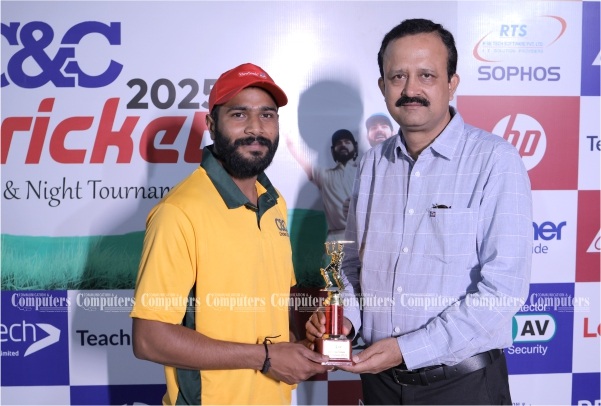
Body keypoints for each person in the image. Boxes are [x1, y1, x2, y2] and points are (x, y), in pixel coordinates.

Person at [306, 18, 532, 405]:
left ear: (452, 83)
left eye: (426, 75)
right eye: (398, 76)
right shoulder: (372, 163)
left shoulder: (495, 160)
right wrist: (345, 321)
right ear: (383, 86)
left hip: (462, 388)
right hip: (379, 384)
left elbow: (502, 292)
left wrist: (406, 350)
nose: (411, 90)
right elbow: (353, 266)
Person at [130, 62, 329, 405]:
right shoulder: (179, 212)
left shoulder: (274, 203)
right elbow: (149, 339)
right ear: (211, 125)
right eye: (239, 115)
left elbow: (274, 308)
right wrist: (265, 357)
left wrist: (299, 344)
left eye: (267, 115)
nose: (256, 128)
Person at [286, 129, 359, 242]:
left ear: (355, 147)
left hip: (362, 237)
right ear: (333, 150)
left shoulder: (365, 172)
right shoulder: (324, 175)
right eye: (338, 143)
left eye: (347, 142)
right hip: (335, 239)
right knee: (334, 256)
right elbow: (302, 159)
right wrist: (289, 141)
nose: (343, 145)